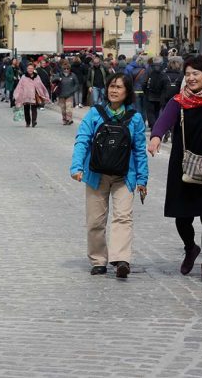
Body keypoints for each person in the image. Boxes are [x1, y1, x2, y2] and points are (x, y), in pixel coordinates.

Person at [148, 54, 202, 286]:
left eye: (195, 74)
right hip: (183, 163)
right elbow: (163, 121)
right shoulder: (178, 101)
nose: (190, 78)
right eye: (187, 74)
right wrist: (156, 137)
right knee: (181, 216)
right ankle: (191, 247)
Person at [71, 74, 148, 278]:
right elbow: (82, 140)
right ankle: (98, 260)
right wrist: (76, 167)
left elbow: (140, 150)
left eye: (119, 87)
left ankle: (121, 259)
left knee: (123, 217)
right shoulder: (94, 114)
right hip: (96, 174)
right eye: (111, 86)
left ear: (127, 92)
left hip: (125, 176)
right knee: (95, 221)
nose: (114, 90)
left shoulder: (135, 118)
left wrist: (142, 179)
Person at [13, 63, 50, 127]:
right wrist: (18, 95)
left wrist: (42, 93)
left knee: (34, 109)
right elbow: (20, 86)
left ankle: (34, 121)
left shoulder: (37, 77)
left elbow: (41, 85)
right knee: (26, 109)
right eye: (29, 68)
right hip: (26, 95)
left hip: (34, 95)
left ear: (34, 69)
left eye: (32, 68)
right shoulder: (23, 77)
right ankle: (28, 122)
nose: (30, 70)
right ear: (27, 69)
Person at [52, 60, 79, 125]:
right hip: (61, 94)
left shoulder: (73, 75)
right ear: (62, 69)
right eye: (64, 69)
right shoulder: (59, 75)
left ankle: (69, 119)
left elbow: (77, 84)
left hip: (69, 95)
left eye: (67, 68)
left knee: (69, 108)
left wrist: (73, 90)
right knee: (63, 109)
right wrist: (58, 78)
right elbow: (52, 80)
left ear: (69, 69)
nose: (66, 70)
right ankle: (64, 119)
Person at [143, 56, 166, 128]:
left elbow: (144, 82)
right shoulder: (163, 71)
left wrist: (146, 92)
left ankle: (153, 125)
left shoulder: (148, 70)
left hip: (150, 95)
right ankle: (156, 125)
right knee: (157, 111)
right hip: (160, 95)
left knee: (150, 112)